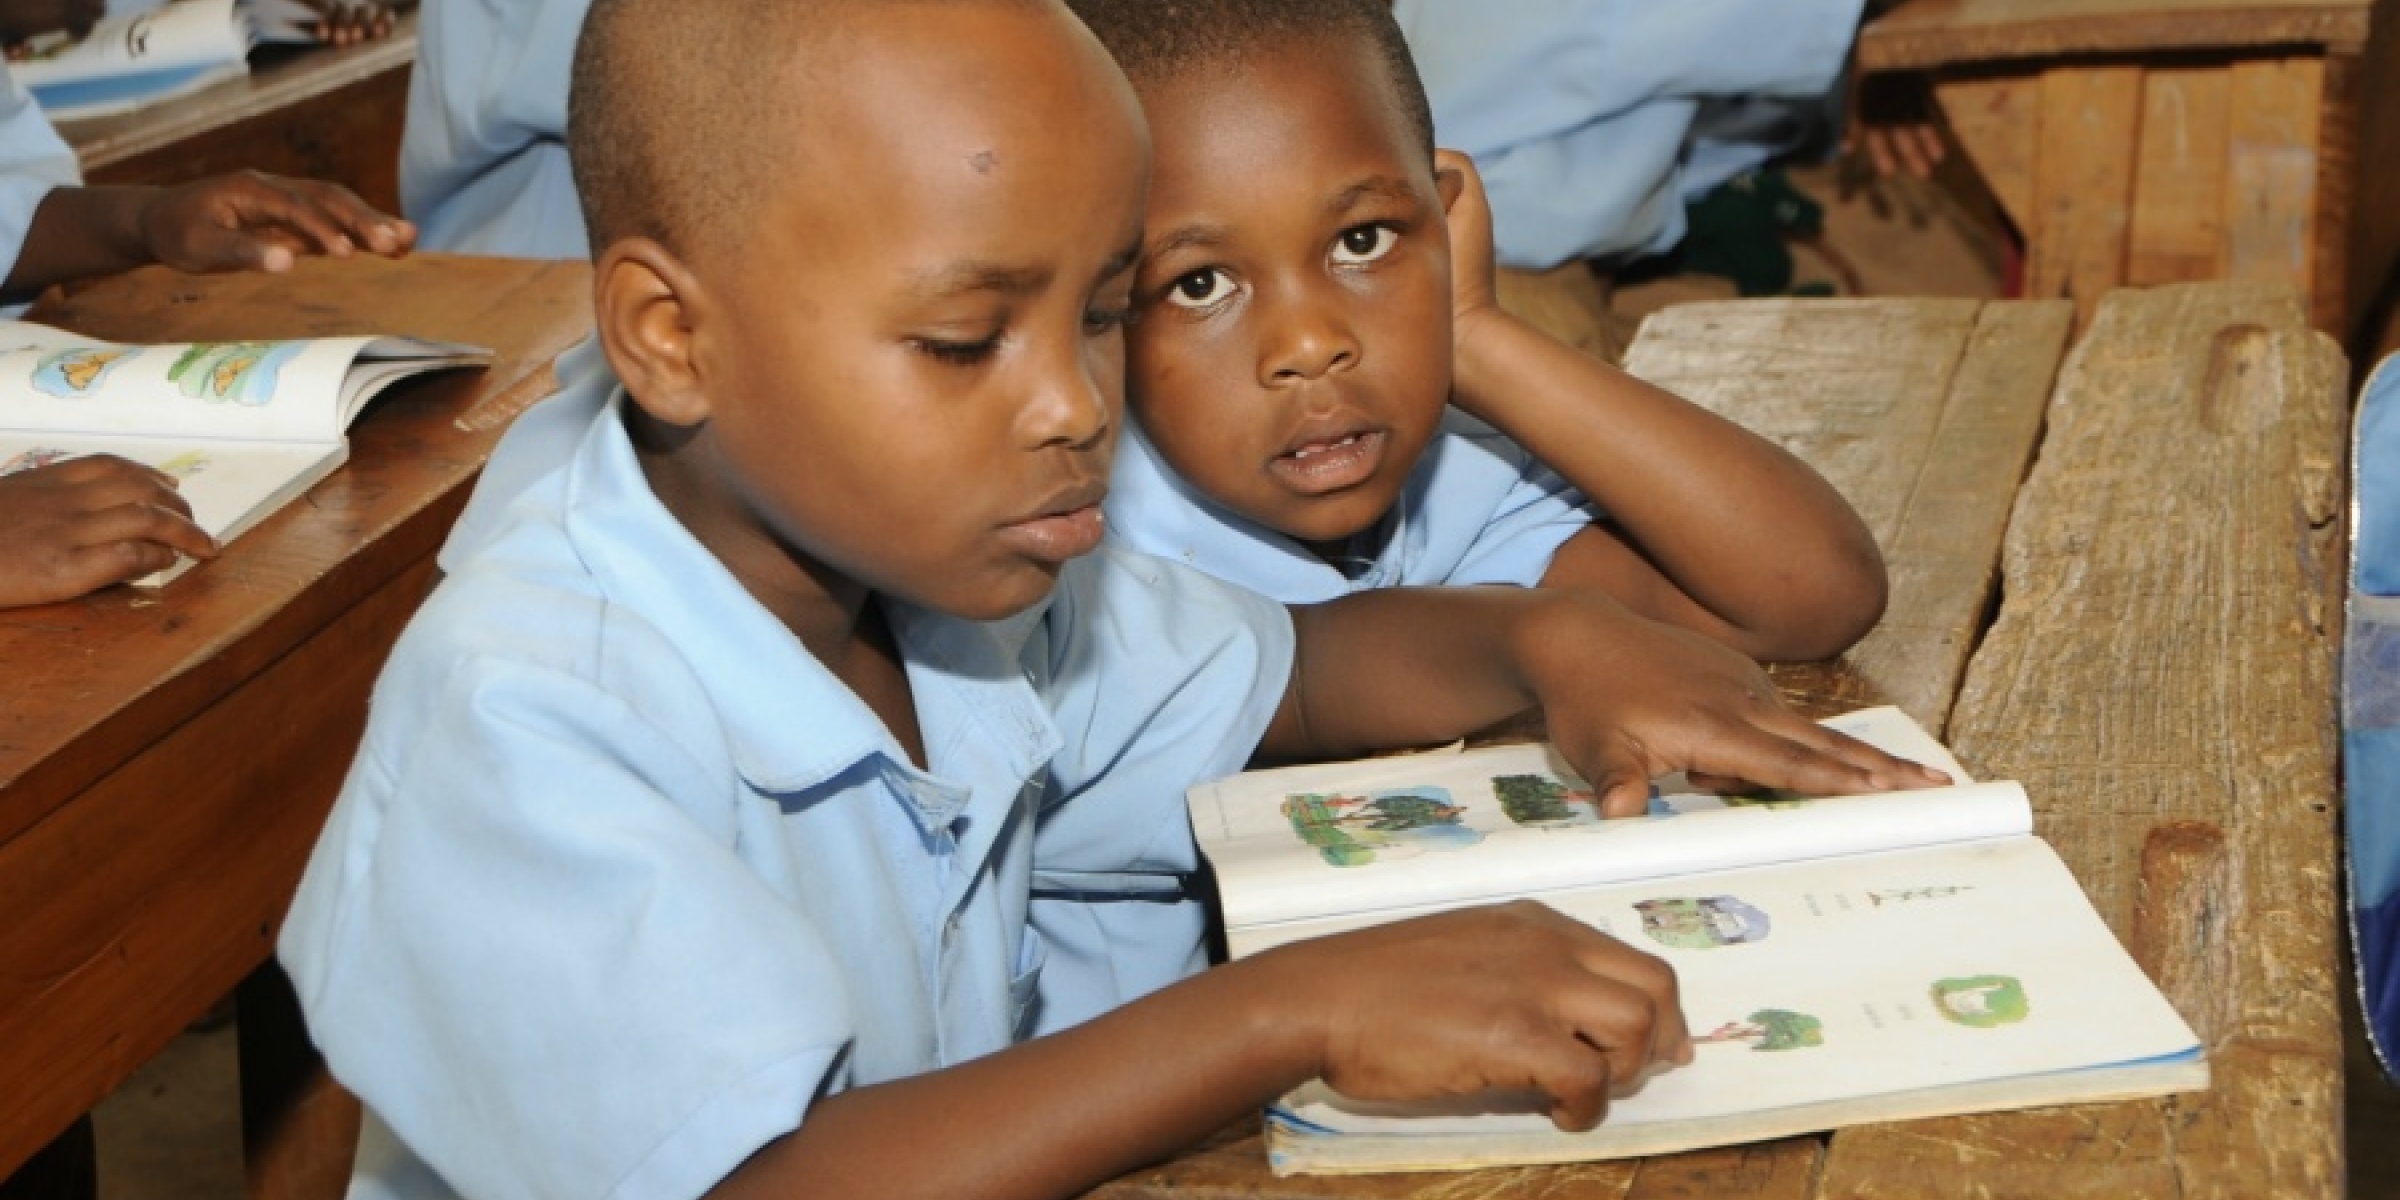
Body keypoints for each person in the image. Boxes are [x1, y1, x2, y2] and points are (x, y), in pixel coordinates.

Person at [279, 2, 1945, 1196]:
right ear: (668, 336)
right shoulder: (531, 707)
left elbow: (1288, 668)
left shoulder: (941, 561)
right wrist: (1299, 1005)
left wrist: (1535, 633)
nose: (1078, 403)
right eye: (964, 340)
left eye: (1098, 312)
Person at [1072, 0, 1888, 682]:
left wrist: (1474, 335)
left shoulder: (1454, 488)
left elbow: (1817, 595)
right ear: (1086, 313)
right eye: (1200, 284)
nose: (1313, 343)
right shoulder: (1074, 555)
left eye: (1363, 242)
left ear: (1445, 218)